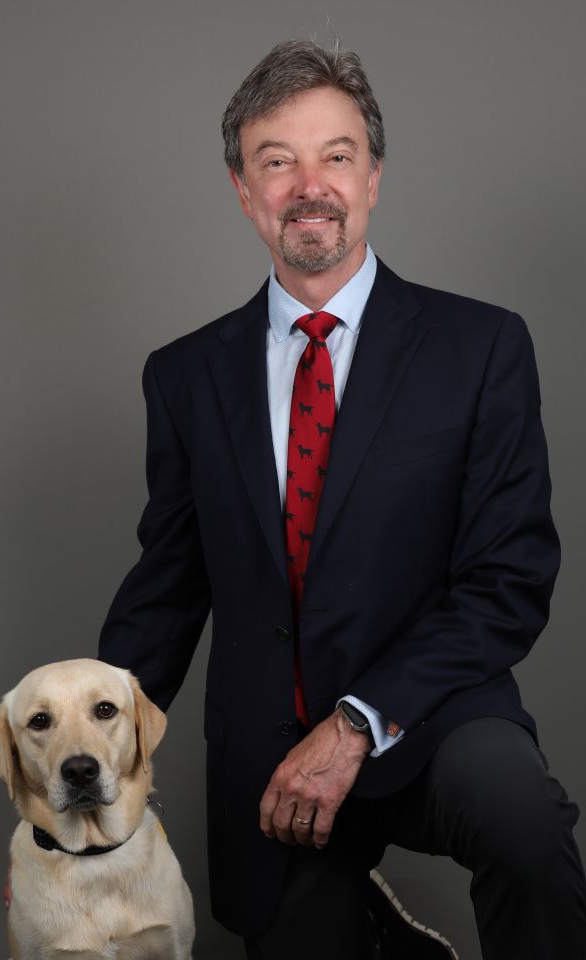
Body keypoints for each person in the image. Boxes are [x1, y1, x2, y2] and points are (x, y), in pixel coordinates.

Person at [99, 40, 586, 959]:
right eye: (276, 161)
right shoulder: (187, 376)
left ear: (373, 179)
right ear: (244, 191)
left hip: (436, 719)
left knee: (526, 826)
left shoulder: (479, 348)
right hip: (271, 762)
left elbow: (509, 582)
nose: (308, 184)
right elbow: (167, 589)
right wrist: (67, 761)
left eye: (337, 155)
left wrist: (358, 723)